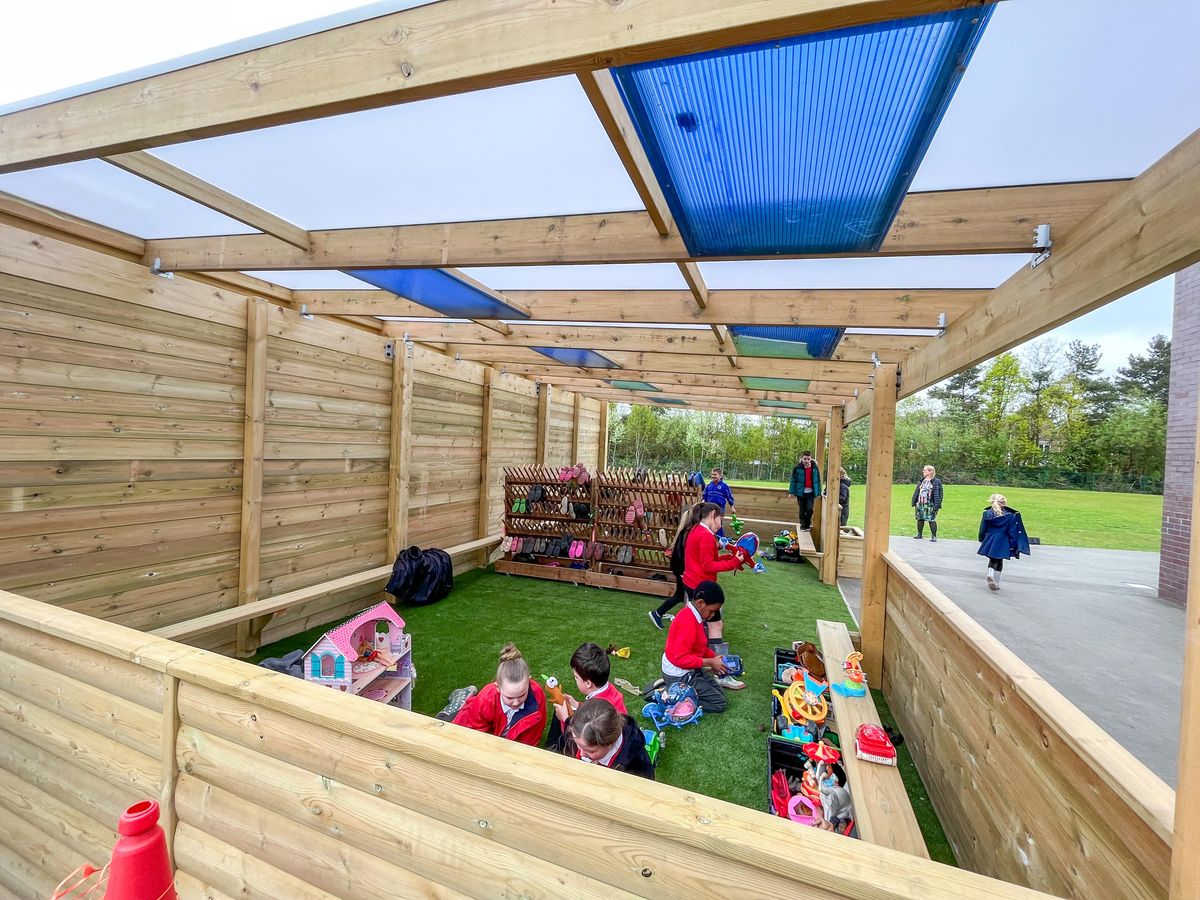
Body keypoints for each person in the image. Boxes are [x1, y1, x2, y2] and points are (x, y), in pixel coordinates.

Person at [681, 502, 745, 678]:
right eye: (720, 521)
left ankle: (699, 658)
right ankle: (721, 672)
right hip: (701, 587)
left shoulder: (695, 530)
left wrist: (731, 558)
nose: (720, 525)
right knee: (715, 625)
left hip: (692, 583)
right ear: (713, 515)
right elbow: (708, 565)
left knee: (699, 625)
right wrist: (733, 562)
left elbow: (708, 559)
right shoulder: (706, 536)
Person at [452, 643, 547, 746]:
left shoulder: (537, 695)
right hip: (473, 721)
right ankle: (458, 701)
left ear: (529, 682)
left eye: (521, 695)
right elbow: (465, 734)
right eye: (509, 697)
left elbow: (531, 738)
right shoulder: (486, 698)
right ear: (497, 687)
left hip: (503, 739)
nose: (516, 703)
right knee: (444, 723)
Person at [661, 580, 735, 710]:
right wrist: (710, 662)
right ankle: (672, 698)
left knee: (719, 693)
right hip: (679, 673)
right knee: (719, 703)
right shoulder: (687, 621)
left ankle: (678, 692)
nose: (712, 616)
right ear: (700, 603)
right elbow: (680, 659)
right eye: (712, 611)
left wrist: (715, 659)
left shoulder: (696, 616)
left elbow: (700, 647)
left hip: (689, 668)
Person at [548, 698, 655, 779]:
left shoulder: (636, 766)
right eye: (577, 744)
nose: (581, 754)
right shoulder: (577, 732)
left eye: (591, 750)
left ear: (610, 742)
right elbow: (560, 753)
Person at [649, 503, 704, 629]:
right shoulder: (691, 531)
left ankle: (659, 613)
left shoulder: (687, 529)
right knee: (684, 595)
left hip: (679, 565)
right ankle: (659, 613)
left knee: (683, 595)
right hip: (681, 567)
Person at [977, 493, 1031, 591]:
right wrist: (1013, 543)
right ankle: (996, 582)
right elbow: (1012, 531)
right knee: (1000, 560)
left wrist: (981, 538)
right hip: (1003, 539)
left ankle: (990, 574)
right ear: (1004, 503)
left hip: (991, 538)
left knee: (992, 559)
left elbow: (982, 528)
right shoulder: (1010, 516)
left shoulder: (987, 513)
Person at [788, 450, 822, 531]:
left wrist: (818, 492)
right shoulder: (797, 468)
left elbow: (818, 480)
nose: (806, 461)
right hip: (801, 493)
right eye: (805, 459)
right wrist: (791, 492)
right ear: (802, 459)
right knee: (802, 510)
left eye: (808, 459)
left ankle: (807, 524)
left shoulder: (815, 468)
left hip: (811, 492)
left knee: (809, 509)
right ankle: (803, 525)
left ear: (811, 459)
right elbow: (793, 480)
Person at [911, 465, 944, 541]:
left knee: (931, 519)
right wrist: (914, 501)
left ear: (930, 472)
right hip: (920, 503)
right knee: (920, 519)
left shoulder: (936, 482)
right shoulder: (922, 480)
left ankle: (934, 536)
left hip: (930, 504)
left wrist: (937, 505)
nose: (923, 471)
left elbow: (940, 494)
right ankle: (919, 534)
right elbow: (917, 491)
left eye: (925, 470)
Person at [701, 467, 737, 536]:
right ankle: (709, 538)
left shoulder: (724, 486)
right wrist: (703, 502)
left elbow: (729, 496)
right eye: (712, 474)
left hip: (720, 508)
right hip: (709, 508)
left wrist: (732, 507)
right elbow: (705, 495)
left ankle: (720, 539)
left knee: (718, 525)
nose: (713, 476)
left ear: (720, 476)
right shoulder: (709, 486)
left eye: (715, 474)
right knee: (709, 524)